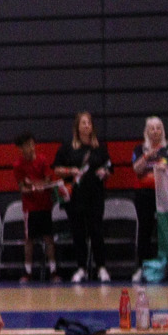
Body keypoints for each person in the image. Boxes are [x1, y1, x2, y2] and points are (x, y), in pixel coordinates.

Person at [54, 111, 112, 283]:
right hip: (75, 197)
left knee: (97, 231)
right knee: (78, 233)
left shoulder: (99, 147)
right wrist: (70, 171)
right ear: (77, 127)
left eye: (89, 123)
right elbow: (57, 169)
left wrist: (104, 172)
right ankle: (81, 268)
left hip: (95, 195)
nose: (87, 126)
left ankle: (101, 267)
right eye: (83, 123)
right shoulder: (67, 147)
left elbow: (109, 167)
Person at [12, 132, 58, 282]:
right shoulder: (18, 166)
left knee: (48, 238)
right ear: (21, 148)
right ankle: (27, 272)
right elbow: (22, 188)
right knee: (29, 240)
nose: (31, 148)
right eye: (27, 145)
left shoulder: (42, 160)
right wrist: (33, 188)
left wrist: (35, 184)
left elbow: (48, 180)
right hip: (30, 208)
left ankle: (53, 271)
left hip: (45, 205)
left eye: (32, 144)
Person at [131, 116, 168, 278]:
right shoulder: (139, 149)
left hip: (164, 194)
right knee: (145, 230)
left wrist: (166, 168)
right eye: (152, 128)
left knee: (167, 230)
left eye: (158, 128)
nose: (155, 131)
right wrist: (148, 156)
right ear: (147, 131)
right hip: (144, 195)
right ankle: (141, 267)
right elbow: (137, 169)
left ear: (162, 131)